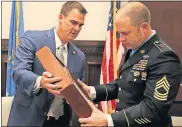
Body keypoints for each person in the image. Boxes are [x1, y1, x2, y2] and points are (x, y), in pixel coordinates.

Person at [77, 2, 181, 127]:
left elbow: (153, 109)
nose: (120, 39)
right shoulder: (135, 49)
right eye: (119, 33)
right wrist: (92, 91)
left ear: (144, 27)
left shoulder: (164, 57)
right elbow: (123, 85)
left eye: (125, 33)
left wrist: (108, 120)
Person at [7, 1, 87, 126]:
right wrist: (41, 81)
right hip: (29, 120)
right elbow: (19, 72)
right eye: (73, 22)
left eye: (81, 25)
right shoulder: (32, 39)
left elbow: (80, 89)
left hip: (61, 121)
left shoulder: (79, 57)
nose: (77, 29)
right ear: (61, 18)